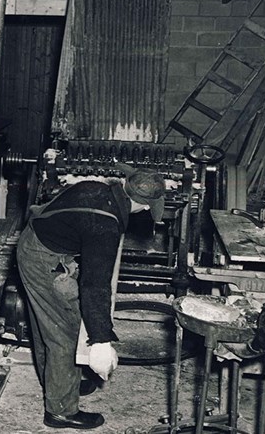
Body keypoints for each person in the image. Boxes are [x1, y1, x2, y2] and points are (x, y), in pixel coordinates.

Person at [16, 164, 166, 430]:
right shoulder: (105, 226)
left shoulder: (97, 188)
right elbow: (95, 286)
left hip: (36, 243)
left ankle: (61, 383)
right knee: (65, 332)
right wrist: (101, 340)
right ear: (145, 206)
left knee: (47, 325)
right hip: (42, 259)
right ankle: (60, 411)